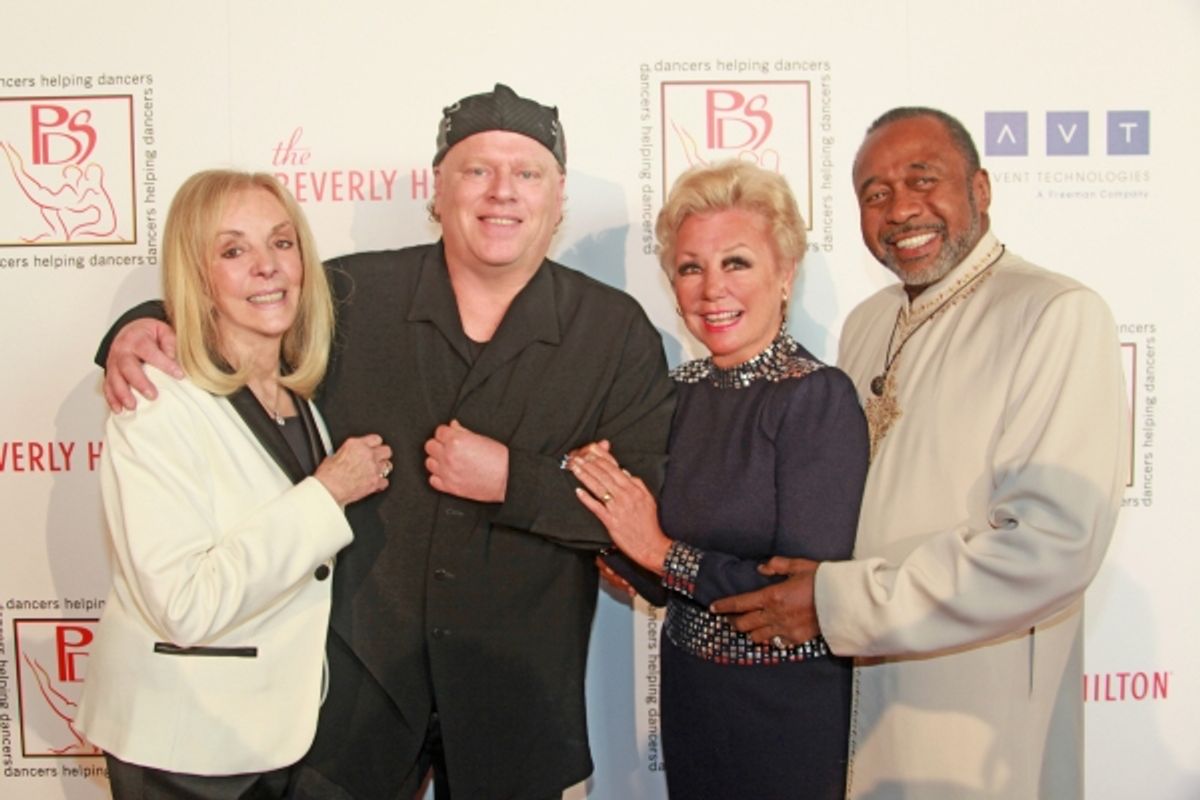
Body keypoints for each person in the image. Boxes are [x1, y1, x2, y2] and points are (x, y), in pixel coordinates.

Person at [97, 85, 676, 799]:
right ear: (437, 192)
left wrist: (515, 481)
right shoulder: (347, 296)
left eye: (527, 173)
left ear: (558, 200)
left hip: (519, 714)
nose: (502, 193)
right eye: (476, 171)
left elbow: (650, 526)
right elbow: (240, 304)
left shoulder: (615, 334)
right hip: (346, 715)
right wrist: (137, 327)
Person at [710, 108, 1128, 798]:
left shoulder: (1053, 312)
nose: (901, 208)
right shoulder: (869, 324)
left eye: (922, 179)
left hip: (972, 711)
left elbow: (1050, 545)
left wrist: (837, 603)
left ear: (981, 189)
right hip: (852, 701)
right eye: (876, 194)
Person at [76, 170, 391, 798]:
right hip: (186, 747)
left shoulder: (300, 398)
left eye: (281, 243)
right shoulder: (156, 402)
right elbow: (185, 605)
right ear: (197, 276)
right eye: (233, 250)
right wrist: (326, 495)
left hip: (282, 735)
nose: (267, 267)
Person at [569, 161, 868, 798]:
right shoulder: (676, 394)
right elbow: (661, 578)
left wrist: (654, 549)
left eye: (736, 262)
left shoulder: (816, 398)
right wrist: (607, 523)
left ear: (785, 274)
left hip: (785, 711)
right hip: (692, 697)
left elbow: (797, 597)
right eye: (690, 267)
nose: (711, 290)